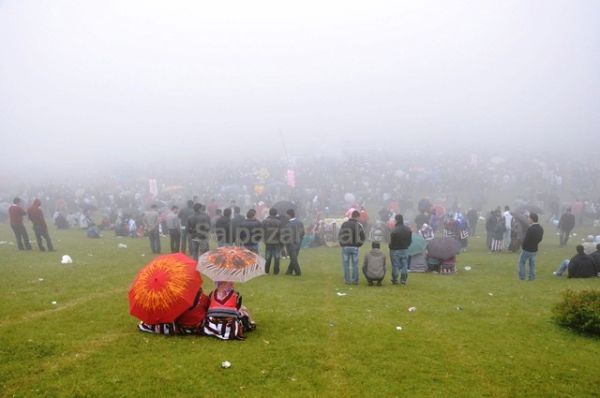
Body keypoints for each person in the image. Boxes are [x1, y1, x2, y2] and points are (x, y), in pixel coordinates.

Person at [138, 286, 210, 335]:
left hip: (179, 327)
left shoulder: (176, 301)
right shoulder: (203, 298)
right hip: (198, 326)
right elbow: (207, 310)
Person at [338, 210, 366, 285]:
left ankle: (347, 280)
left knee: (346, 264)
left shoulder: (344, 224)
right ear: (357, 217)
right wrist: (359, 244)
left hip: (345, 246)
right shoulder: (358, 225)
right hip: (355, 247)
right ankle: (355, 280)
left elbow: (340, 235)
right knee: (355, 264)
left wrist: (342, 244)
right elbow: (363, 237)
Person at [518, 212, 544, 281]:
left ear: (532, 219)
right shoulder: (540, 228)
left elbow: (526, 240)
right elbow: (540, 239)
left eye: (529, 218)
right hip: (535, 249)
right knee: (532, 264)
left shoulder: (530, 229)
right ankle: (532, 277)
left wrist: (523, 246)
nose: (528, 219)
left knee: (522, 262)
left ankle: (522, 277)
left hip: (527, 249)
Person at [388, 214, 412, 285]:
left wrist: (391, 247)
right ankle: (403, 280)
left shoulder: (394, 230)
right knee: (404, 265)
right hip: (404, 249)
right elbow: (410, 241)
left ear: (396, 220)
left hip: (395, 250)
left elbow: (391, 242)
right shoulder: (408, 229)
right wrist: (406, 246)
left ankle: (395, 279)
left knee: (395, 265)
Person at [282, 209, 304, 276]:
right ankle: (289, 271)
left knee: (293, 258)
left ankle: (298, 272)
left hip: (290, 243)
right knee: (293, 257)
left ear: (289, 215)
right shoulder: (300, 222)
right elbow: (302, 233)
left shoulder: (288, 225)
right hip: (298, 242)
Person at [262, 208, 282, 274]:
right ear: (276, 213)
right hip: (277, 242)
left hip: (268, 242)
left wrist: (264, 239)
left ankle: (266, 270)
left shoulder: (264, 221)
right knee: (277, 258)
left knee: (268, 257)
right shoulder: (279, 222)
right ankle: (276, 271)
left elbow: (261, 231)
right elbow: (281, 233)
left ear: (269, 213)